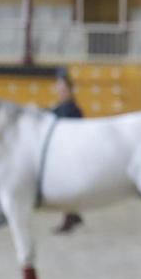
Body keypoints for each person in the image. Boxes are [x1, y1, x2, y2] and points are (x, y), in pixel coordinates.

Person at [49, 69, 85, 234]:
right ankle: (73, 215)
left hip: (69, 153)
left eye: (62, 87)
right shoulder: (62, 107)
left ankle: (70, 218)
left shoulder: (71, 108)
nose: (58, 90)